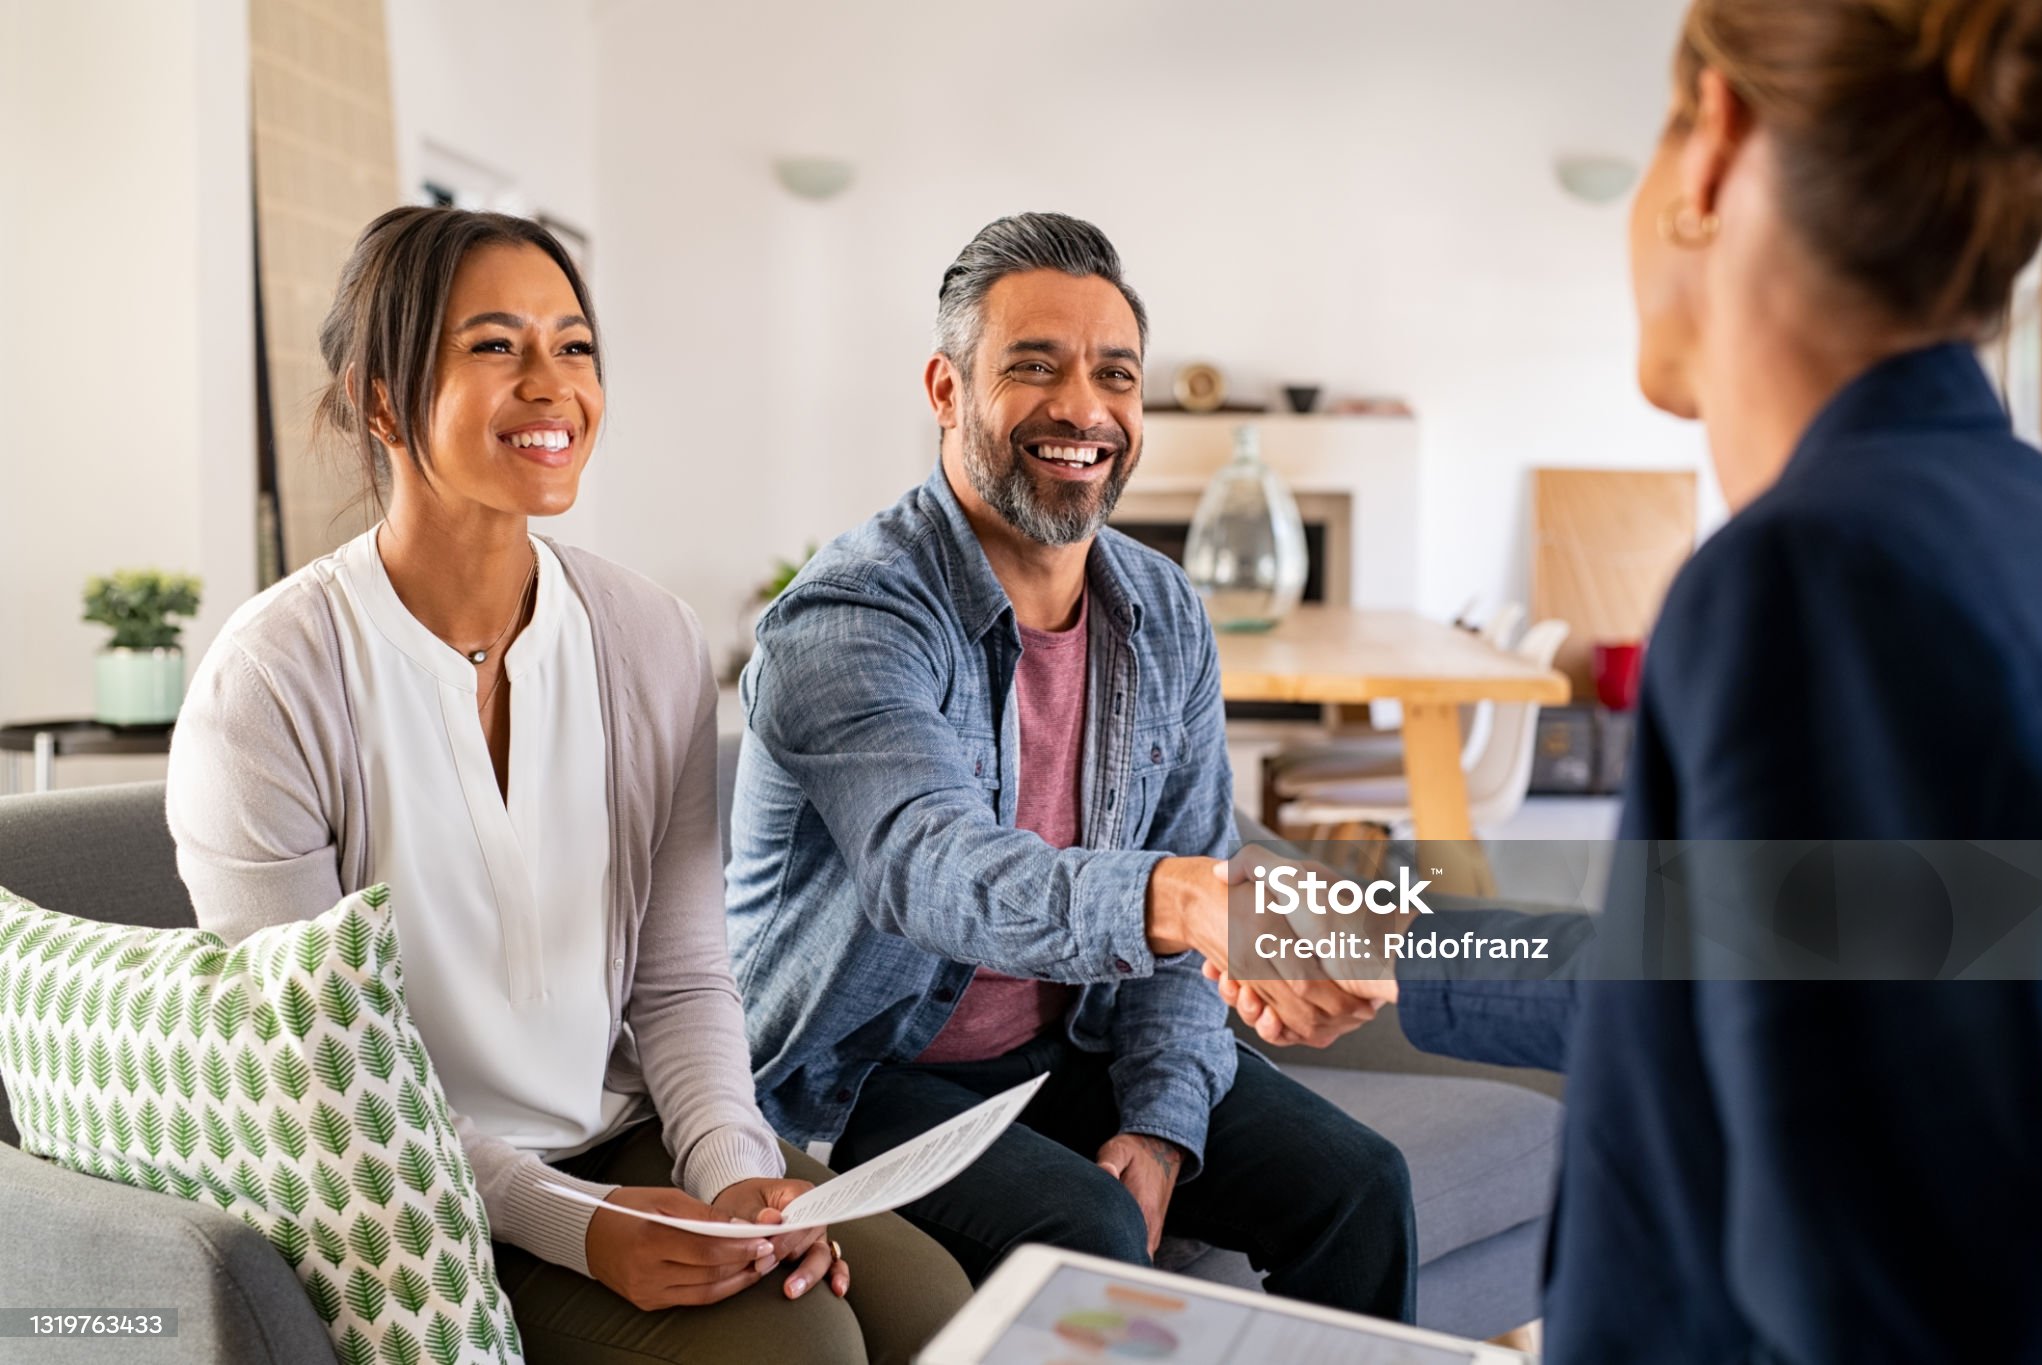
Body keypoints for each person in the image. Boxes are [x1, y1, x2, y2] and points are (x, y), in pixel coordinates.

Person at [1216, 1, 2042, 1359]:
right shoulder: (2007, 522)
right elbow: (1698, 971)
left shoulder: (1818, 580)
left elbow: (1866, 1279)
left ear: (1711, 145)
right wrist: (1378, 925)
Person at [165, 206, 968, 1365]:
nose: (552, 386)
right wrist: (573, 1228)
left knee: (930, 1305)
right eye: (495, 346)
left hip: (617, 1133)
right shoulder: (271, 680)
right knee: (796, 1352)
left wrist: (737, 1172)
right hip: (403, 1193)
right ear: (382, 401)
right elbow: (316, 1072)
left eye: (575, 346)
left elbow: (684, 978)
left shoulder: (646, 637)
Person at [724, 212, 1414, 1322]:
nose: (1082, 410)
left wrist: (1157, 1123)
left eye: (1114, 376)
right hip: (859, 1079)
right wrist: (1183, 897)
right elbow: (931, 868)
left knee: (1358, 1188)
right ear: (945, 391)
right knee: (1081, 1233)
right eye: (1032, 368)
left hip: (1062, 1044)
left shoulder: (1162, 611)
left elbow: (1195, 894)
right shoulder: (850, 618)